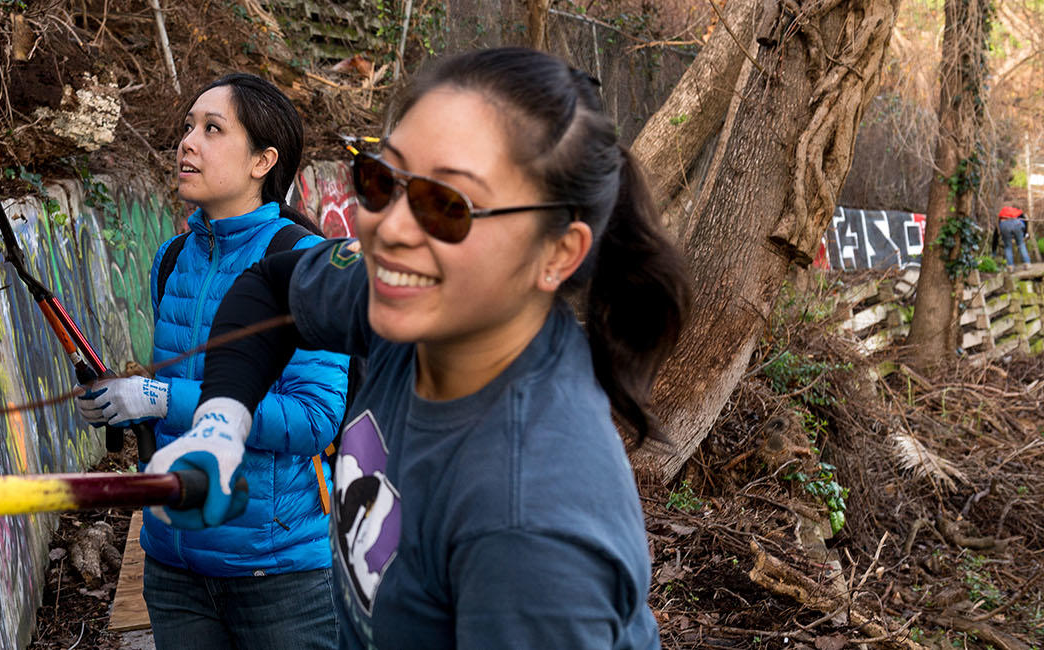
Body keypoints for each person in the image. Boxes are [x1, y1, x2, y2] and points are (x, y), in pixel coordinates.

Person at [146, 48, 691, 648]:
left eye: (447, 205)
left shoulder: (528, 524)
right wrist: (221, 424)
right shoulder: (414, 300)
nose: (389, 228)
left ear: (557, 253)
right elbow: (273, 287)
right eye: (382, 179)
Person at [76, 73, 348, 649]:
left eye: (212, 129)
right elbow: (176, 399)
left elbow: (314, 419)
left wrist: (163, 398)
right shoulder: (172, 257)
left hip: (277, 572)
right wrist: (125, 406)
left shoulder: (305, 267)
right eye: (187, 127)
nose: (187, 142)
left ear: (262, 161)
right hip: (174, 563)